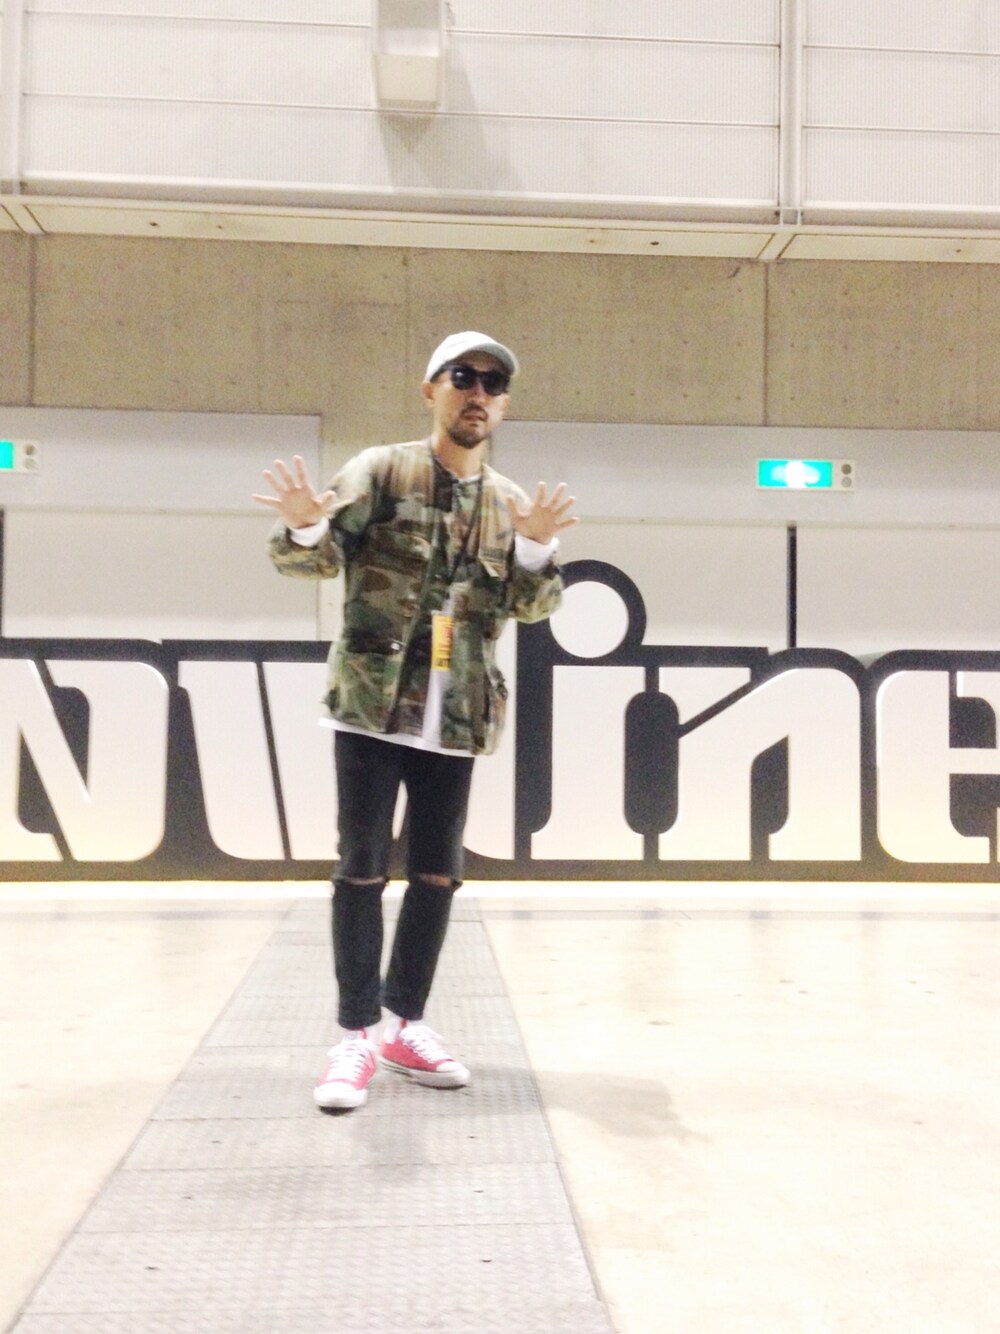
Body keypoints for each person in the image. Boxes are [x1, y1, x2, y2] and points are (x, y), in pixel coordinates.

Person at [254, 331, 576, 1111]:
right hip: (372, 708)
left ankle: (405, 1024)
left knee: (437, 875)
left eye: (493, 383)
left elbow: (534, 608)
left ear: (504, 403)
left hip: (456, 717)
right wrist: (305, 526)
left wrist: (537, 550)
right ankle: (355, 1036)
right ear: (430, 389)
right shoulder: (379, 470)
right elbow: (308, 561)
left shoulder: (509, 504)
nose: (479, 393)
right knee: (361, 868)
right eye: (463, 377)